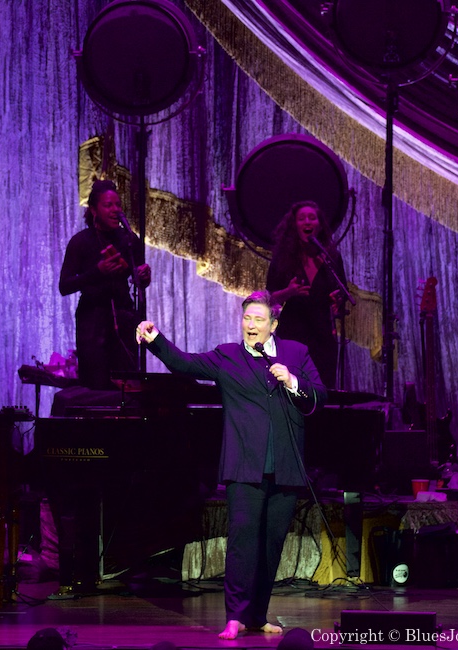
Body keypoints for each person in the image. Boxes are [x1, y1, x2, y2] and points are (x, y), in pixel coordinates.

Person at [136, 291, 327, 640]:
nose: (251, 325)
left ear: (273, 325)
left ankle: (257, 615)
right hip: (245, 467)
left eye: (258, 320)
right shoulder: (227, 356)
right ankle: (235, 617)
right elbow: (184, 363)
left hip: (285, 466)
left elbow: (319, 397)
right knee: (243, 543)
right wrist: (155, 339)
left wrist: (292, 381)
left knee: (271, 546)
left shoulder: (296, 353)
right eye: (246, 318)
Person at [59, 179, 151, 390]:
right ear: (93, 210)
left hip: (125, 317)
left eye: (117, 205)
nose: (115, 210)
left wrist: (143, 277)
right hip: (93, 321)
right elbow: (64, 286)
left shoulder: (129, 240)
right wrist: (96, 272)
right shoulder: (81, 241)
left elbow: (138, 282)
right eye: (108, 205)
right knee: (96, 384)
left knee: (126, 383)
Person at [266, 201, 349, 388]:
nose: (307, 222)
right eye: (302, 218)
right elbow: (270, 298)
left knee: (322, 386)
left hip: (322, 332)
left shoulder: (331, 257)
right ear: (294, 225)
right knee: (291, 387)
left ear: (319, 224)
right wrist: (289, 292)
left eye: (312, 218)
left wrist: (338, 299)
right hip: (292, 331)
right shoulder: (283, 257)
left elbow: (342, 291)